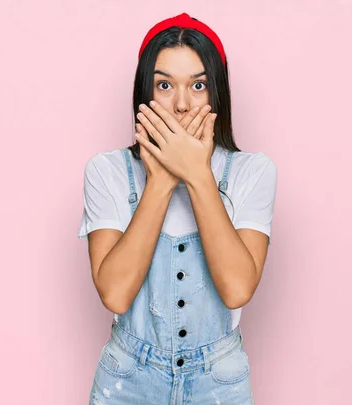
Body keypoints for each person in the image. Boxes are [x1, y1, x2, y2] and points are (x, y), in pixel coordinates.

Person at [78, 12, 277, 405]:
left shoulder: (252, 172)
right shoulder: (108, 171)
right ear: (144, 94)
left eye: (198, 85)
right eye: (164, 84)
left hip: (219, 385)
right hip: (126, 382)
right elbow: (115, 294)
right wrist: (164, 180)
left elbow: (238, 288)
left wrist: (197, 175)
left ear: (216, 93)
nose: (182, 104)